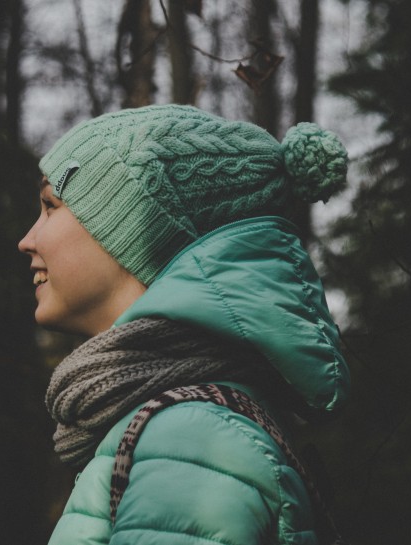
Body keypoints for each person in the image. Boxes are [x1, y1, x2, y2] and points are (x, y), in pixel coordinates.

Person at [18, 104, 350, 545]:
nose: (27, 240)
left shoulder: (191, 437)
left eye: (49, 206)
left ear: (132, 228)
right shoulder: (174, 426)